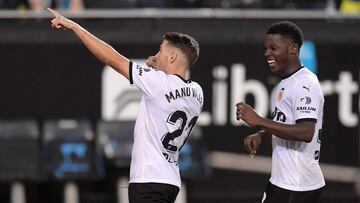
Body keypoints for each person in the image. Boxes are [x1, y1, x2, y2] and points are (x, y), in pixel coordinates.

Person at [48, 8, 203, 203]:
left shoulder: (157, 83)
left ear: (172, 57)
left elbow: (111, 59)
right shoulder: (197, 91)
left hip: (149, 179)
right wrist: (158, 67)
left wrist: (75, 27)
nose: (156, 54)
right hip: (170, 180)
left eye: (161, 50)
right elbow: (172, 87)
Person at [236, 21, 325, 203]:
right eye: (266, 48)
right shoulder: (284, 83)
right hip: (283, 182)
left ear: (293, 49)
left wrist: (259, 120)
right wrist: (261, 135)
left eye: (273, 48)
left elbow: (306, 132)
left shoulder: (305, 83)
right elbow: (286, 126)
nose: (267, 53)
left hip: (298, 185)